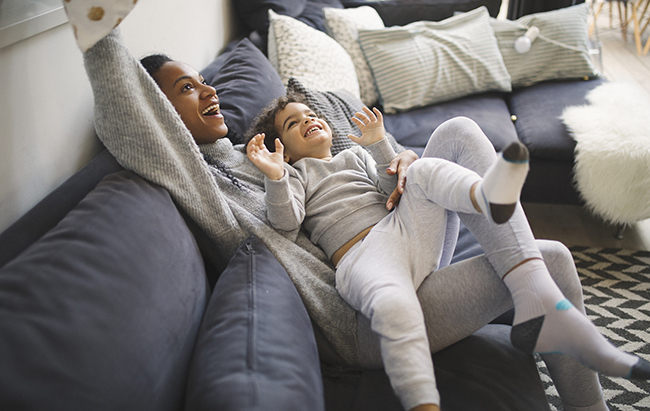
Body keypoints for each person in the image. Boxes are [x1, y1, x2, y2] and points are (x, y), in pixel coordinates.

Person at [82, 28, 639, 411]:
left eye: (204, 83)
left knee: (458, 136)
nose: (209, 91)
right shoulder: (209, 178)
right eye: (187, 89)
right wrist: (99, 35)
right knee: (557, 260)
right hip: (363, 317)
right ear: (163, 117)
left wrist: (396, 161)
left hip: (399, 244)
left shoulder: (251, 152)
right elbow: (136, 124)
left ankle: (529, 291)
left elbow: (363, 180)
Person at [245, 94, 650, 411]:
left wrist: (386, 150)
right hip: (372, 258)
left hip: (409, 235)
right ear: (287, 149)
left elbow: (393, 194)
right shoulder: (295, 174)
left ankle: (486, 194)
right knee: (555, 258)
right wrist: (276, 176)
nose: (308, 120)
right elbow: (285, 222)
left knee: (436, 152)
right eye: (293, 124)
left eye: (308, 113)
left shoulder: (353, 156)